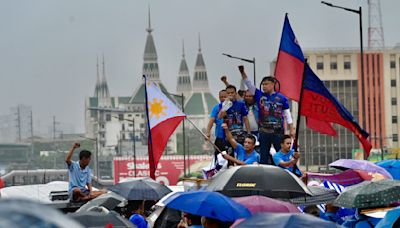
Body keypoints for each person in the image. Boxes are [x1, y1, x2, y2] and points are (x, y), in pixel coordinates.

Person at [239, 65, 294, 165]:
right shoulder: (259, 95)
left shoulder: (282, 98)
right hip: (264, 132)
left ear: (273, 84)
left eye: (266, 84)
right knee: (263, 156)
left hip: (278, 132)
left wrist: (292, 128)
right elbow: (249, 84)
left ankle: (284, 171)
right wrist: (243, 73)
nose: (264, 86)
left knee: (280, 153)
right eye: (263, 84)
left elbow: (287, 113)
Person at [205, 89, 228, 169]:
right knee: (218, 159)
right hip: (220, 138)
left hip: (230, 138)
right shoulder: (216, 108)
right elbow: (211, 120)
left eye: (225, 97)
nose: (223, 99)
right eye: (221, 97)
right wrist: (207, 133)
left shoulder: (232, 106)